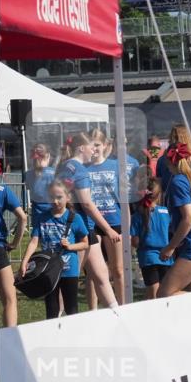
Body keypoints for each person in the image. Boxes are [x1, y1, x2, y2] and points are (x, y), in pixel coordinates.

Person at [55, 133, 119, 310]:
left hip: (81, 227)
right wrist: (108, 229)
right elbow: (88, 204)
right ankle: (57, 321)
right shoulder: (80, 170)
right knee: (70, 279)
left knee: (101, 275)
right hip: (77, 228)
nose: (94, 151)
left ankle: (117, 314)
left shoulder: (64, 165)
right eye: (92, 146)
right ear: (81, 148)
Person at [18, 180, 89, 319]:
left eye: (59, 197)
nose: (55, 201)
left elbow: (85, 243)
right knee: (51, 307)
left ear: (68, 197)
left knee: (71, 307)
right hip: (48, 270)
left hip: (69, 269)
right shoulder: (42, 217)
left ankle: (74, 337)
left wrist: (70, 246)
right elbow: (34, 241)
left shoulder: (75, 218)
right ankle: (53, 338)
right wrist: (24, 262)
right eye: (52, 197)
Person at [158, 143, 191, 296]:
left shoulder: (178, 182)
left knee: (164, 294)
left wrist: (170, 247)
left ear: (168, 161)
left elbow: (188, 219)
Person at [86, 129, 125, 303]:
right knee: (93, 272)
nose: (94, 149)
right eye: (91, 145)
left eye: (97, 145)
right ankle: (93, 310)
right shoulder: (83, 168)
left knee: (117, 269)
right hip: (92, 223)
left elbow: (124, 197)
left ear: (105, 146)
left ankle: (123, 305)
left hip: (114, 220)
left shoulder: (115, 166)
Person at [130, 177, 172, 299]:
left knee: (152, 291)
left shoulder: (137, 215)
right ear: (159, 196)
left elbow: (135, 241)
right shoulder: (166, 212)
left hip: (147, 258)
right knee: (164, 292)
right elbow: (172, 232)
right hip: (166, 257)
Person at [0, 180, 27, 327]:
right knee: (10, 299)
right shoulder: (2, 190)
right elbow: (23, 217)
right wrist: (15, 243)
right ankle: (10, 340)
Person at [25, 143, 56, 224]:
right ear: (48, 155)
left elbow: (29, 188)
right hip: (53, 211)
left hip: (36, 213)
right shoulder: (55, 173)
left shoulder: (28, 174)